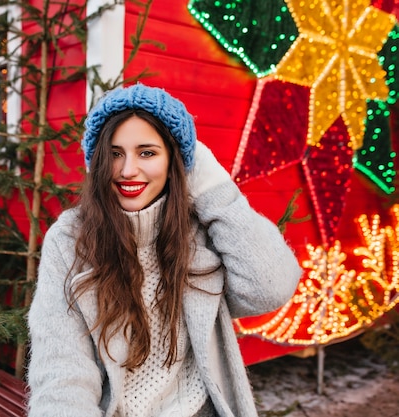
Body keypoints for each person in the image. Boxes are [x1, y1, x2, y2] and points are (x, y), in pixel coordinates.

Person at [26, 84, 302, 417]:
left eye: (147, 152)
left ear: (173, 159)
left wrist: (212, 184)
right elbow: (62, 375)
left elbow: (269, 287)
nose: (128, 170)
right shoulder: (70, 240)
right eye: (115, 153)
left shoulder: (200, 232)